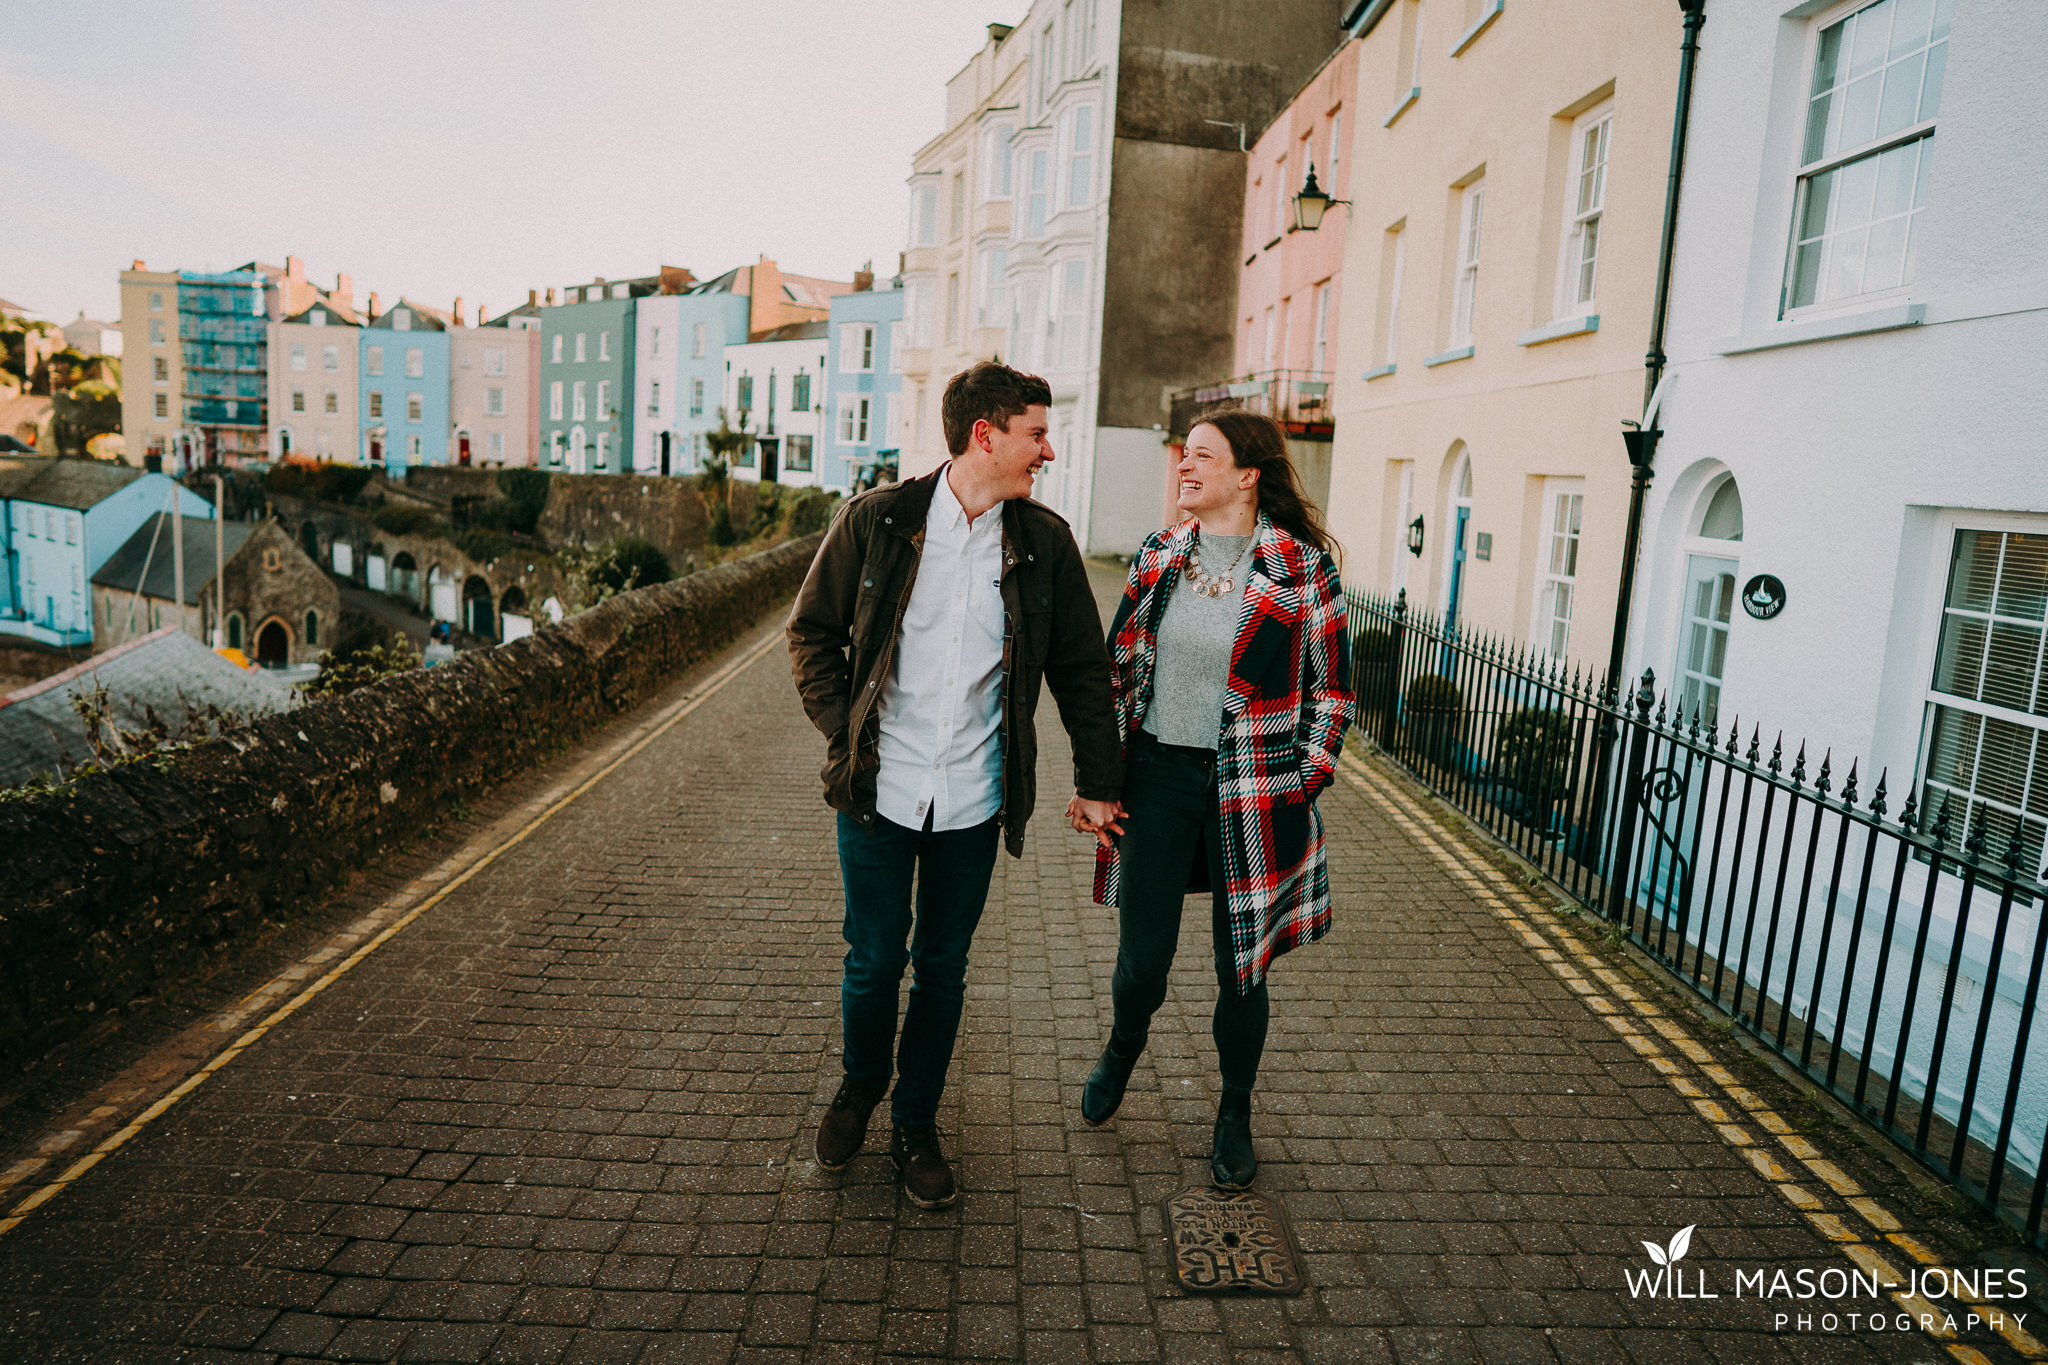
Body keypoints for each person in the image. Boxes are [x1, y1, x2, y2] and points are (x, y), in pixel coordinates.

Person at [788, 360, 1124, 1209]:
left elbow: (1084, 671)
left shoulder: (1044, 544)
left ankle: (915, 1120)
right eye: (1036, 433)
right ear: (987, 435)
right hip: (876, 794)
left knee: (941, 968)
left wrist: (1097, 780)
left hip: (974, 801)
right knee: (872, 961)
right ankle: (858, 1089)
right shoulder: (878, 520)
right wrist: (848, 731)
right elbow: (811, 632)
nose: (1047, 450)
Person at [1074, 405, 1354, 1189]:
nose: (1184, 467)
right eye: (1182, 456)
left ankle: (1234, 1111)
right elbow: (1115, 674)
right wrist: (1097, 778)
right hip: (1158, 778)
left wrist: (1303, 780)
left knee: (1243, 967)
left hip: (1255, 788)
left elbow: (1332, 694)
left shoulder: (1303, 570)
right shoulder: (1160, 554)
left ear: (1247, 473)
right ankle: (1123, 1044)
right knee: (1143, 964)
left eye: (1203, 456)